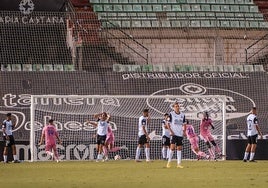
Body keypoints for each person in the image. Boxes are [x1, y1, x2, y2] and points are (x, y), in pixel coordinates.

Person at [166, 102, 186, 168]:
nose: (177, 107)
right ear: (174, 107)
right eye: (176, 106)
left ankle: (179, 164)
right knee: (172, 148)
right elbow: (168, 124)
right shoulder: (171, 114)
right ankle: (169, 162)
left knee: (179, 148)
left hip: (180, 134)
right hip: (173, 134)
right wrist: (171, 131)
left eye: (178, 106)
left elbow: (184, 124)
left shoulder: (182, 115)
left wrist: (184, 131)